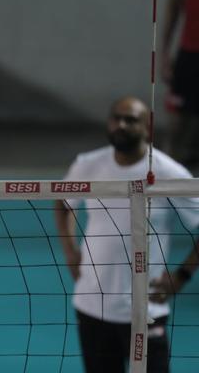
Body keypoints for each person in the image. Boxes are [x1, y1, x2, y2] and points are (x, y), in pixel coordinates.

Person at [54, 97, 199, 373]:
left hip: (145, 310)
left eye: (130, 120)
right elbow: (62, 202)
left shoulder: (168, 172)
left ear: (148, 127)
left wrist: (183, 275)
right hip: (91, 305)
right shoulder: (87, 164)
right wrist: (70, 251)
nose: (121, 124)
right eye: (116, 118)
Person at [160, 0, 199, 171]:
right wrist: (165, 53)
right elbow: (173, 5)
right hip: (190, 54)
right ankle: (165, 186)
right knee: (176, 127)